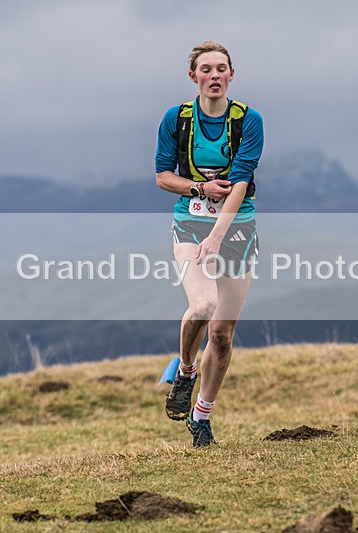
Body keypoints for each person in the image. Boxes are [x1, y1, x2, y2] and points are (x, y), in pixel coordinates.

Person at [154, 41, 263, 448]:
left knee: (221, 335)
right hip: (190, 223)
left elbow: (240, 183)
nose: (214, 75)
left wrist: (219, 236)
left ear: (231, 75)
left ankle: (202, 418)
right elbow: (164, 177)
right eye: (206, 69)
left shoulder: (249, 120)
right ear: (193, 77)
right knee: (202, 305)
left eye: (221, 69)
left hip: (237, 228)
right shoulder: (176, 118)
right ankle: (185, 371)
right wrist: (198, 185)